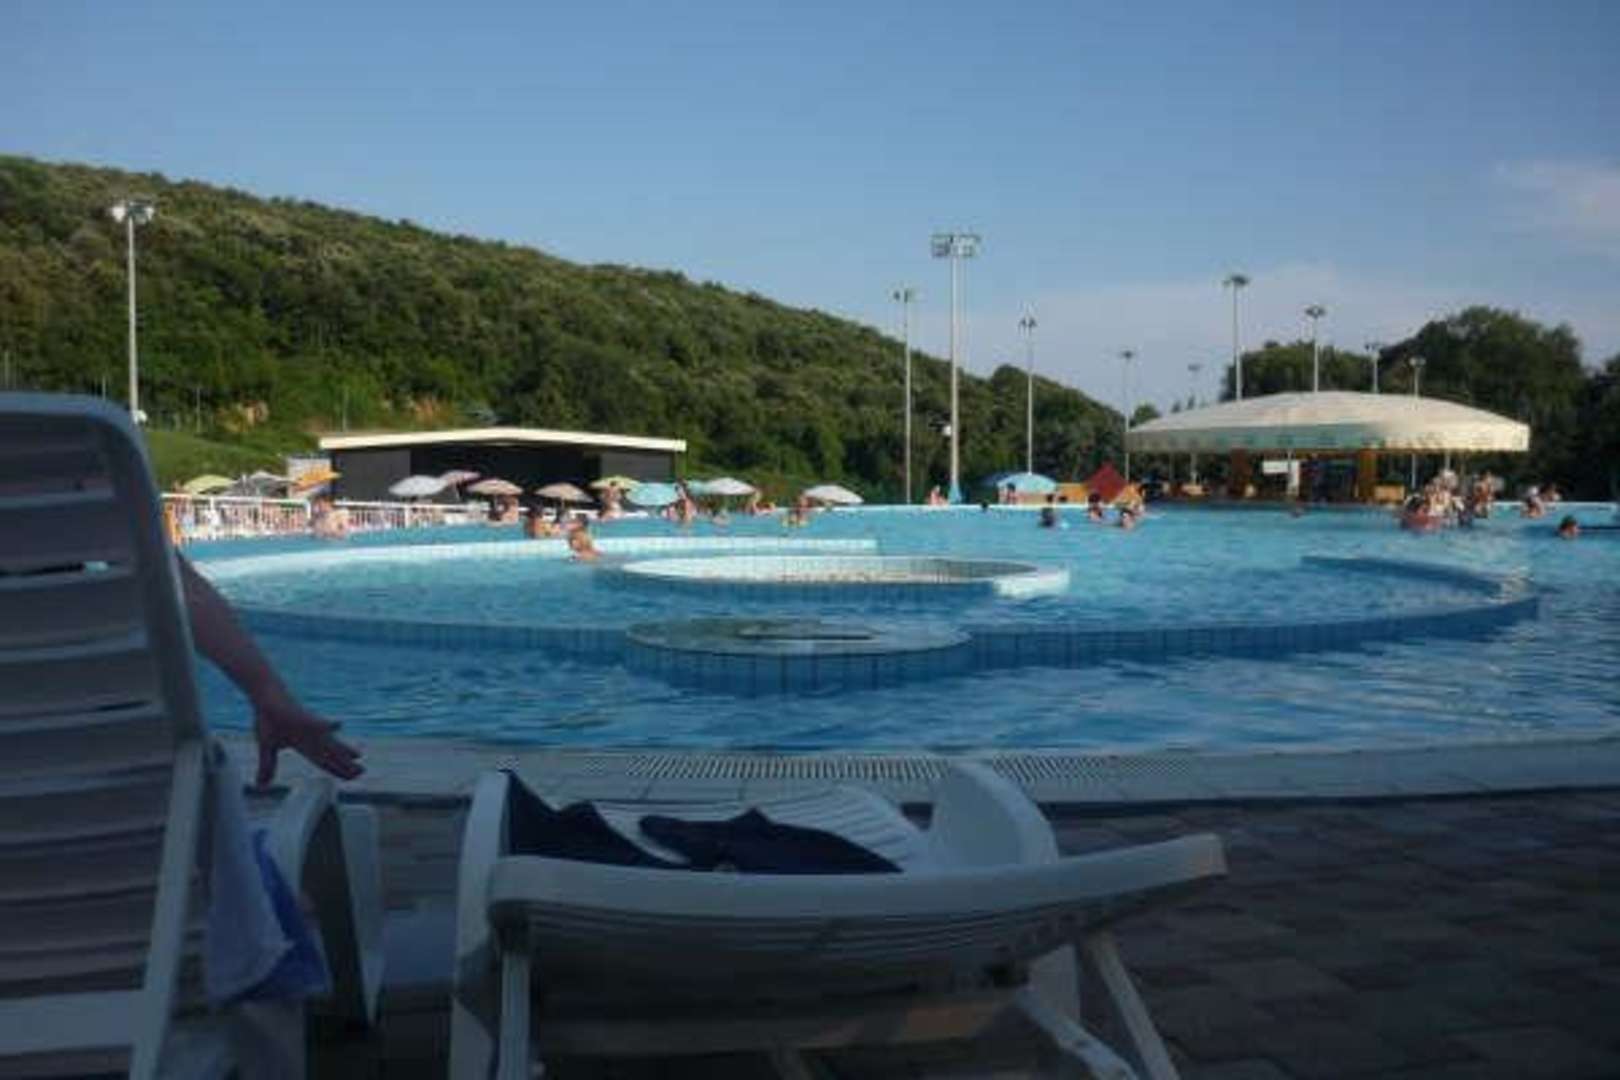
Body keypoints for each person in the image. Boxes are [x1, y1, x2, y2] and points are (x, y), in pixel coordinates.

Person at [178, 558, 362, 785]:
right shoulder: (143, 544)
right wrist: (268, 694)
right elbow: (179, 585)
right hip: (179, 788)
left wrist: (269, 697)